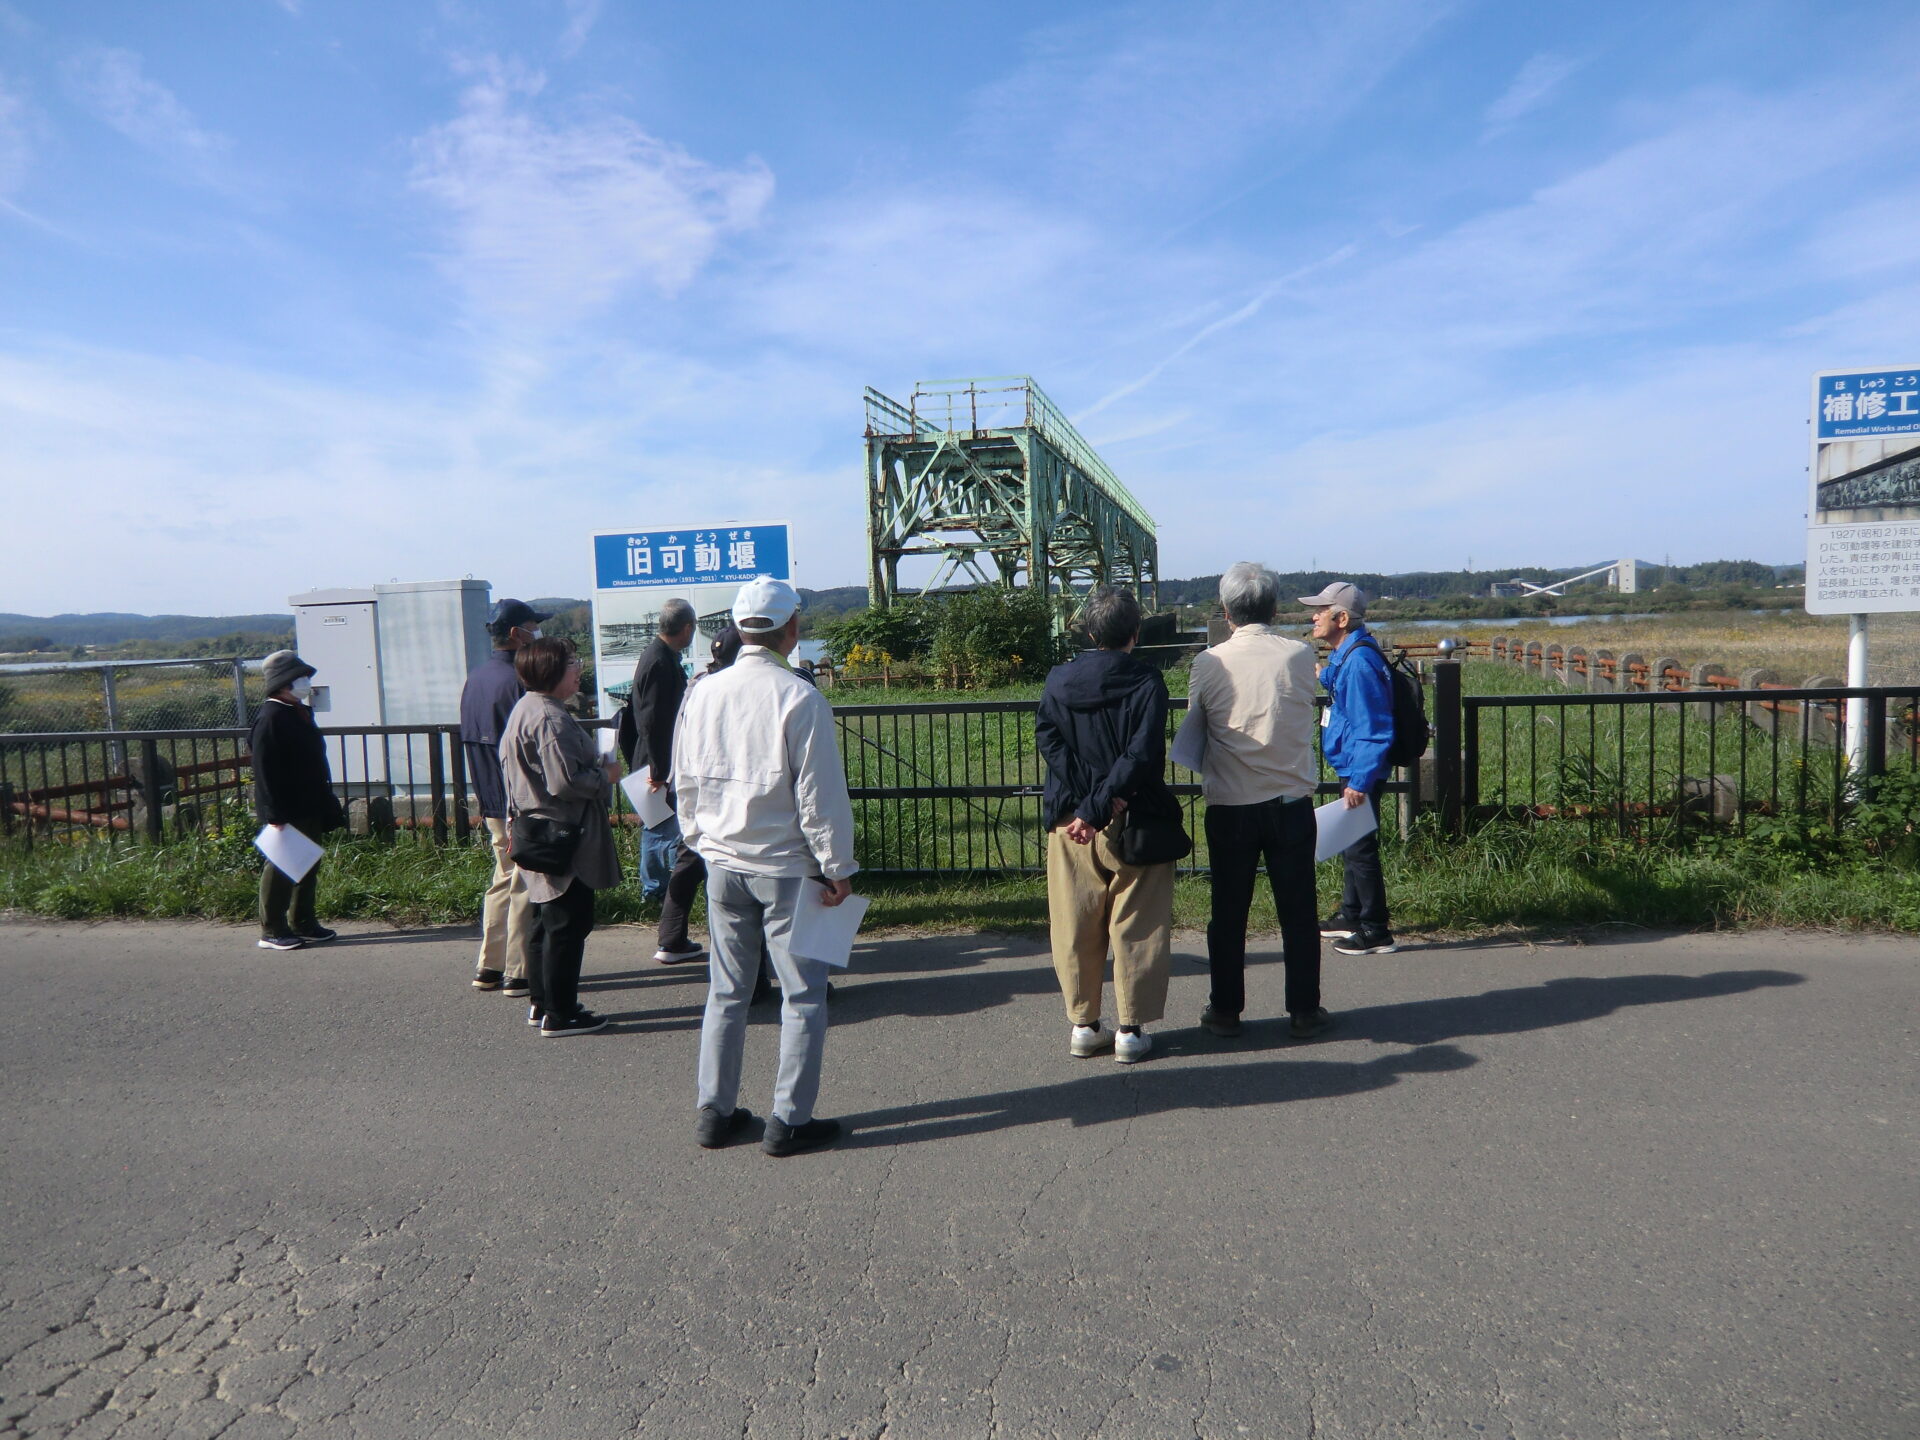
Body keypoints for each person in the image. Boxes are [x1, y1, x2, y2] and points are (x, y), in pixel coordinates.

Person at [674, 576, 857, 1156]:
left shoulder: (703, 692)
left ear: (737, 627)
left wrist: (700, 839)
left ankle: (715, 1111)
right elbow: (819, 796)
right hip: (786, 866)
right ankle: (789, 1120)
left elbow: (685, 779)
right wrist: (837, 866)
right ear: (791, 629)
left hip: (722, 862)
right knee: (802, 996)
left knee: (726, 992)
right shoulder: (799, 697)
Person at [1033, 586, 1176, 1064]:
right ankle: (1130, 1031)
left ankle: (1084, 1025)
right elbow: (1142, 753)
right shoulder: (1147, 681)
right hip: (1134, 817)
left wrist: (1086, 804)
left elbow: (1048, 738)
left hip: (1070, 821)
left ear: (1090, 633)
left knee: (1074, 922)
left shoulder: (1059, 679)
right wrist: (1103, 802)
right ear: (1134, 633)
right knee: (1137, 923)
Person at [1188, 564, 1330, 1040]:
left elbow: (1198, 722)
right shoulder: (1299, 654)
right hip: (1290, 801)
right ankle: (1304, 1009)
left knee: (1229, 913)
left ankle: (1225, 1010)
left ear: (1226, 612)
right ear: (1274, 608)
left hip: (1231, 801)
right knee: (1298, 911)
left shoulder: (1209, 662)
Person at [499, 637, 621, 1037]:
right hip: (562, 834)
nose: (578, 671)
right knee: (568, 924)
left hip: (538, 829)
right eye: (572, 664)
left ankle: (542, 1003)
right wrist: (605, 775)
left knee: (546, 920)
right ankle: (561, 1012)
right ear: (551, 670)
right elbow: (565, 782)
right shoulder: (550, 717)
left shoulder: (527, 707)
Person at [1299, 581, 1398, 955]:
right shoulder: (1350, 655)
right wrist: (1321, 673)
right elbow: (1340, 681)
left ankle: (1375, 929)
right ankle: (1351, 914)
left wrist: (1359, 780)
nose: (1314, 617)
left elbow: (1374, 729)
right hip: (1355, 765)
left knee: (1360, 848)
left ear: (1341, 619)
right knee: (1351, 842)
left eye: (1320, 611)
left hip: (1361, 768)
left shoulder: (1359, 663)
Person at [459, 598, 549, 995]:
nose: (538, 632)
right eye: (533, 625)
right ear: (516, 633)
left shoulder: (476, 678)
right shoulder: (518, 681)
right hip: (518, 798)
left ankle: (489, 965)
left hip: (490, 796)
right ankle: (519, 970)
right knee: (524, 881)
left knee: (502, 877)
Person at [624, 599, 707, 965]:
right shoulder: (660, 661)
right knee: (661, 832)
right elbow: (653, 720)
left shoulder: (655, 655)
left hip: (650, 761)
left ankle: (656, 893)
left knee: (657, 830)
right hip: (656, 765)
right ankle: (656, 893)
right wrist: (659, 771)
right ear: (686, 628)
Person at [250, 649, 346, 951]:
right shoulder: (271, 717)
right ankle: (272, 928)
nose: (306, 683)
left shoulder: (297, 712)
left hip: (309, 802)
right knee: (281, 865)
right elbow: (264, 769)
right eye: (299, 678)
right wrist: (273, 813)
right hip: (287, 807)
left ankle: (303, 921)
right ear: (283, 684)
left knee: (307, 864)